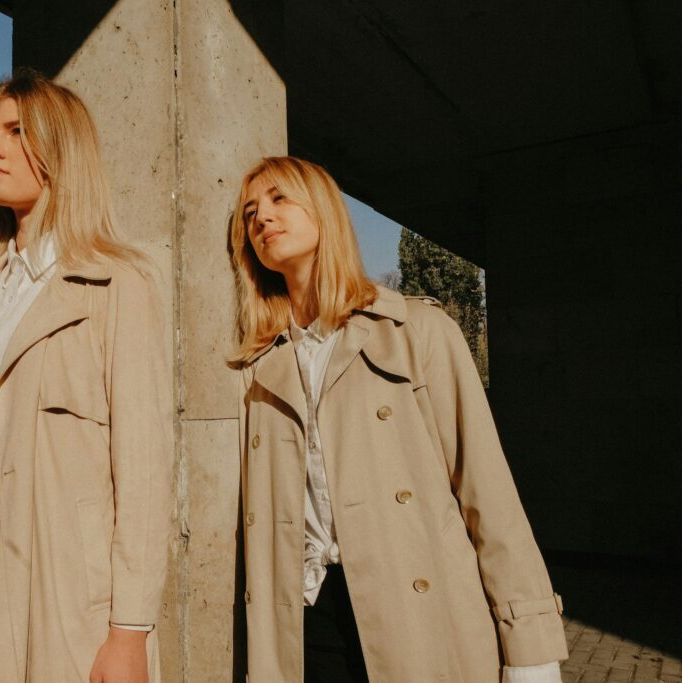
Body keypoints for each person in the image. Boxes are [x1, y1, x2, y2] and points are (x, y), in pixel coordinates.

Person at [231, 156, 568, 682]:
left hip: (418, 621)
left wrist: (530, 646)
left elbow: (487, 492)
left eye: (279, 199)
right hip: (304, 627)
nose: (262, 219)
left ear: (323, 211)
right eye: (250, 212)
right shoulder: (257, 366)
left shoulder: (418, 331)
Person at [0, 69, 173, 683]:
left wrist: (130, 630)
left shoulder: (117, 285)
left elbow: (146, 475)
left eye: (15, 130)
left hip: (62, 574)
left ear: (60, 148)